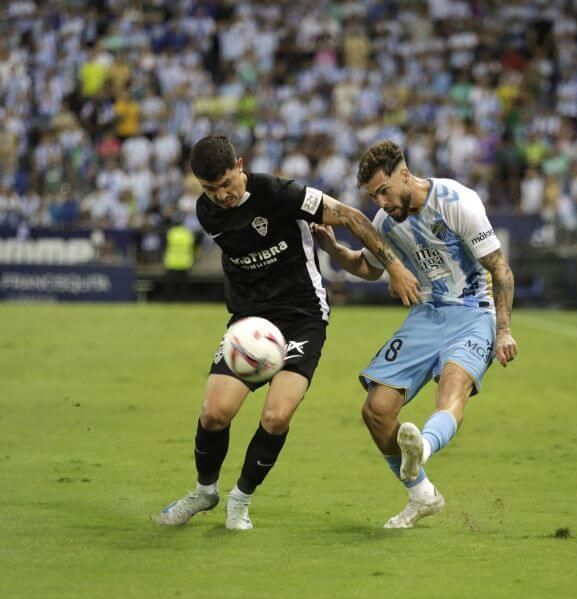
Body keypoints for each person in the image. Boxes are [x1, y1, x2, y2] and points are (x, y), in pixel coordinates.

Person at [156, 135, 419, 530]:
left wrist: (394, 266)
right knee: (214, 414)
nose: (223, 195)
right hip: (250, 324)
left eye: (227, 183)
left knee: (276, 416)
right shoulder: (206, 212)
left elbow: (350, 216)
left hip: (302, 316)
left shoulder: (278, 193)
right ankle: (203, 492)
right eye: (211, 189)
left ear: (240, 165)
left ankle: (240, 501)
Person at [312, 139, 518, 528]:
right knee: (376, 411)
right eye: (373, 196)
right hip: (426, 316)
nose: (381, 202)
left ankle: (420, 448)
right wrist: (334, 248)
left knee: (452, 390)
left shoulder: (458, 202)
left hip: (474, 313)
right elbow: (368, 268)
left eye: (384, 191)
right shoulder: (385, 223)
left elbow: (500, 270)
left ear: (404, 174)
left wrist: (504, 332)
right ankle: (422, 494)